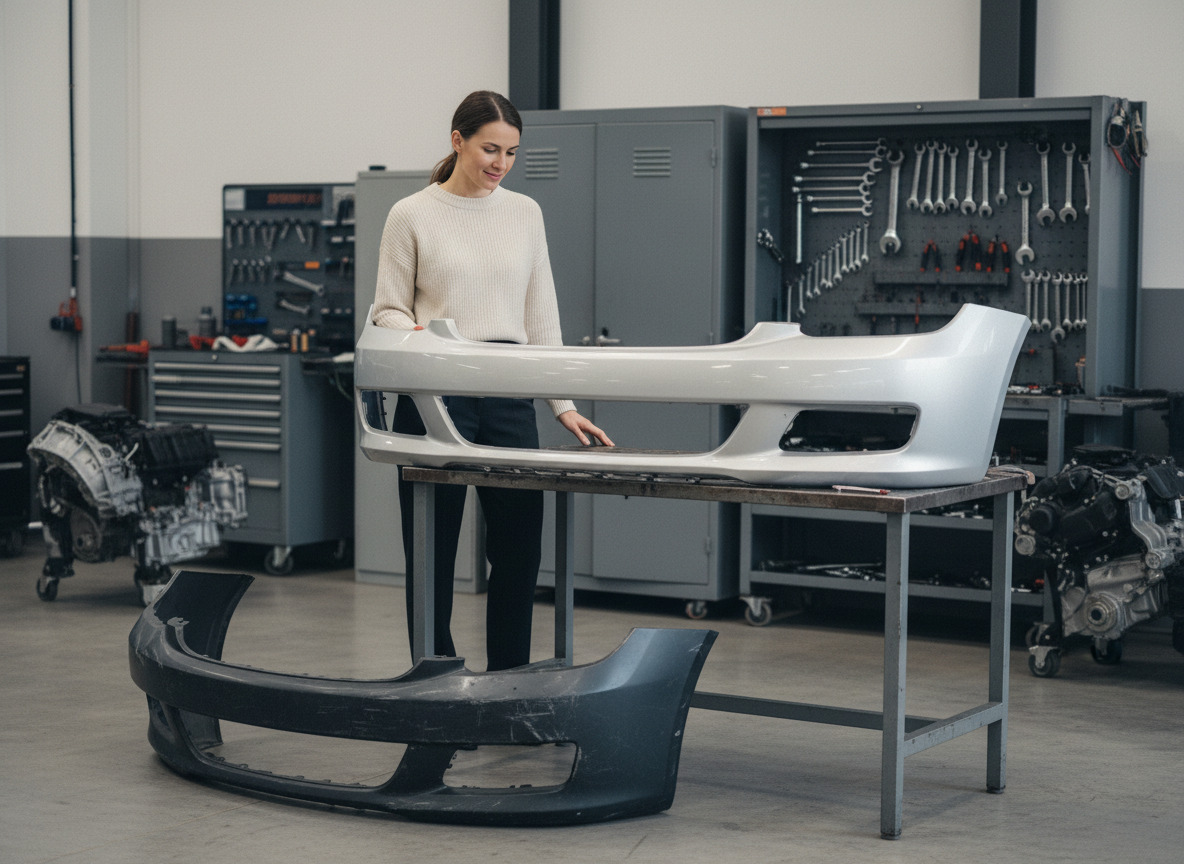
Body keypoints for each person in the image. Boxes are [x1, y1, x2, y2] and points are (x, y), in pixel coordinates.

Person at [373, 90, 613, 671]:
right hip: (435, 399)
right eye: (489, 149)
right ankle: (436, 684)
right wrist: (419, 333)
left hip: (508, 396)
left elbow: (542, 316)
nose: (499, 164)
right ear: (457, 141)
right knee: (431, 555)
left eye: (510, 152)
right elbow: (385, 310)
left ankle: (508, 684)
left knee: (518, 552)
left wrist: (562, 403)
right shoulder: (410, 213)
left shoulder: (524, 212)